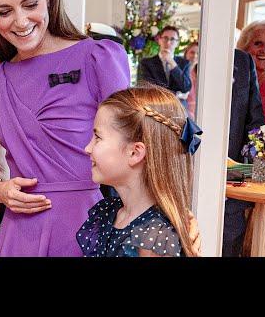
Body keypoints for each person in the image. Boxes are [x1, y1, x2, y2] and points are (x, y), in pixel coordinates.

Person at [0, 0, 130, 256]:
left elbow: (135, 153)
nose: (20, 21)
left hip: (87, 225)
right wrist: (0, 190)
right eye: (5, 11)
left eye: (30, 4)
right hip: (20, 230)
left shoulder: (97, 59)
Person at [76, 86, 200, 257]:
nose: (87, 148)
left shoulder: (155, 240)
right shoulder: (109, 213)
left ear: (135, 153)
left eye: (97, 137)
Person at [222, 48, 264, 257]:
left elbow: (254, 120)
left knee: (230, 240)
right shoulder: (190, 54)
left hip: (234, 173)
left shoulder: (243, 60)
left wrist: (247, 171)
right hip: (187, 170)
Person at [139, 26, 192, 109]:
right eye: (165, 38)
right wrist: (177, 95)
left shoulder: (184, 63)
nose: (168, 42)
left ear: (177, 43)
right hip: (156, 108)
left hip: (179, 109)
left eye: (172, 39)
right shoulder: (146, 63)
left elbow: (185, 87)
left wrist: (172, 63)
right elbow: (148, 88)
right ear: (159, 40)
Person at [183, 41, 198, 119]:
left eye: (198, 53)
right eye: (192, 52)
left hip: (198, 111)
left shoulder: (200, 74)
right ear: (186, 54)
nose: (195, 56)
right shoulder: (179, 71)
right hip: (183, 110)